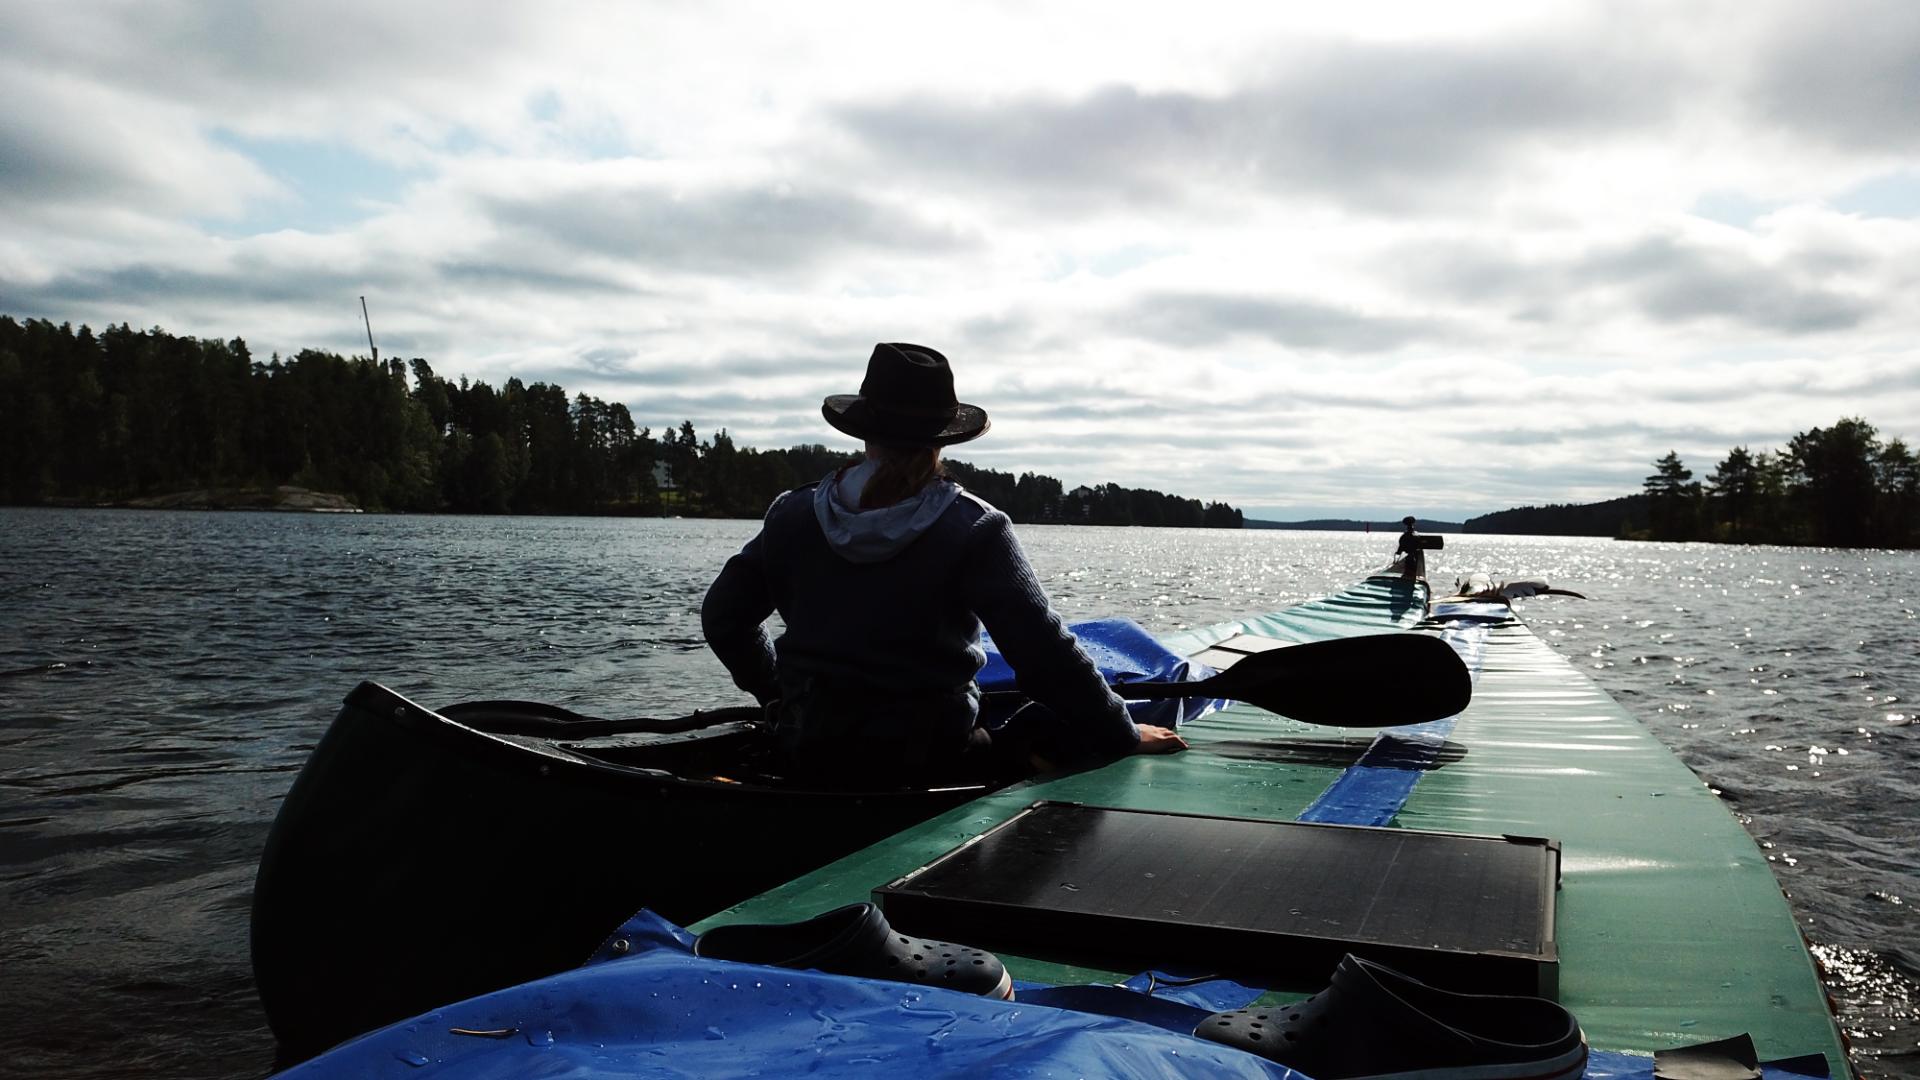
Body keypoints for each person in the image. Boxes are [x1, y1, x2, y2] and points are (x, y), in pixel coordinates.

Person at [701, 342, 1187, 787]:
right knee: (1045, 724)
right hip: (933, 759)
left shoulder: (791, 514)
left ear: (864, 429)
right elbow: (1044, 655)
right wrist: (1124, 733)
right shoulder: (974, 527)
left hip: (808, 749)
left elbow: (724, 618)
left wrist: (775, 693)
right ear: (943, 438)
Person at [1395, 515, 1425, 580]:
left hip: (1410, 559)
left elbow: (1400, 549)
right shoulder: (1416, 535)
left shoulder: (1404, 537)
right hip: (1414, 558)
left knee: (1408, 572)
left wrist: (1398, 552)